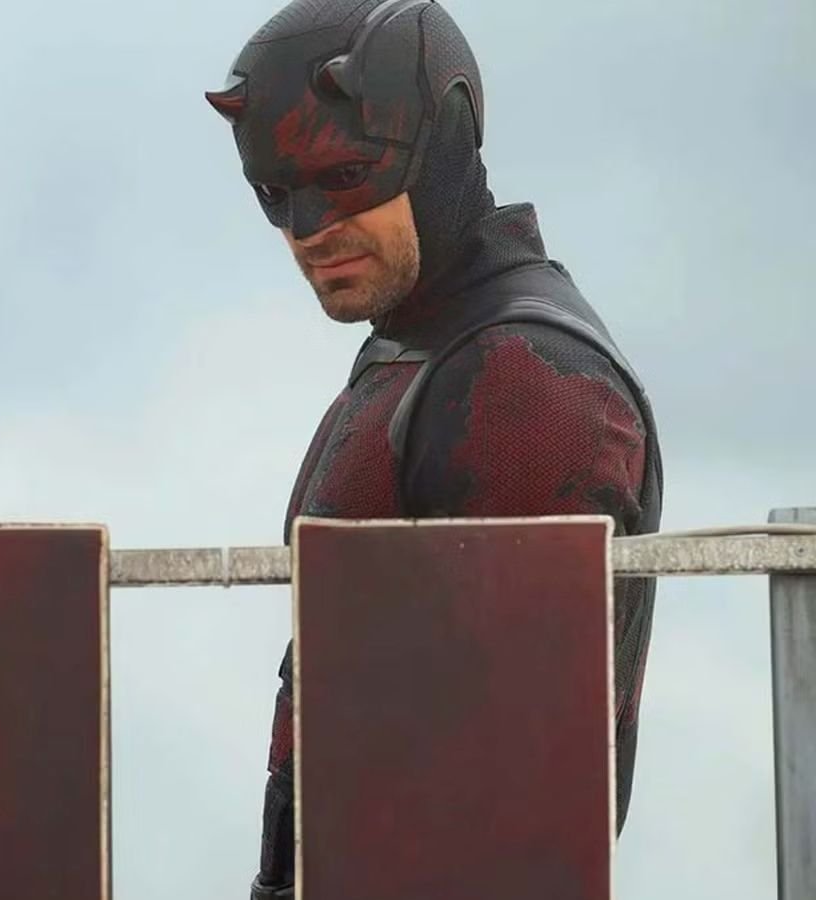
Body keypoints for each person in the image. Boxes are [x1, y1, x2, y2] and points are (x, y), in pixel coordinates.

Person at [204, 1, 664, 896]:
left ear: (442, 142)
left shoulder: (522, 377)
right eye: (275, 194)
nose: (307, 229)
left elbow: (517, 797)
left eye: (345, 176)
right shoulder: (426, 344)